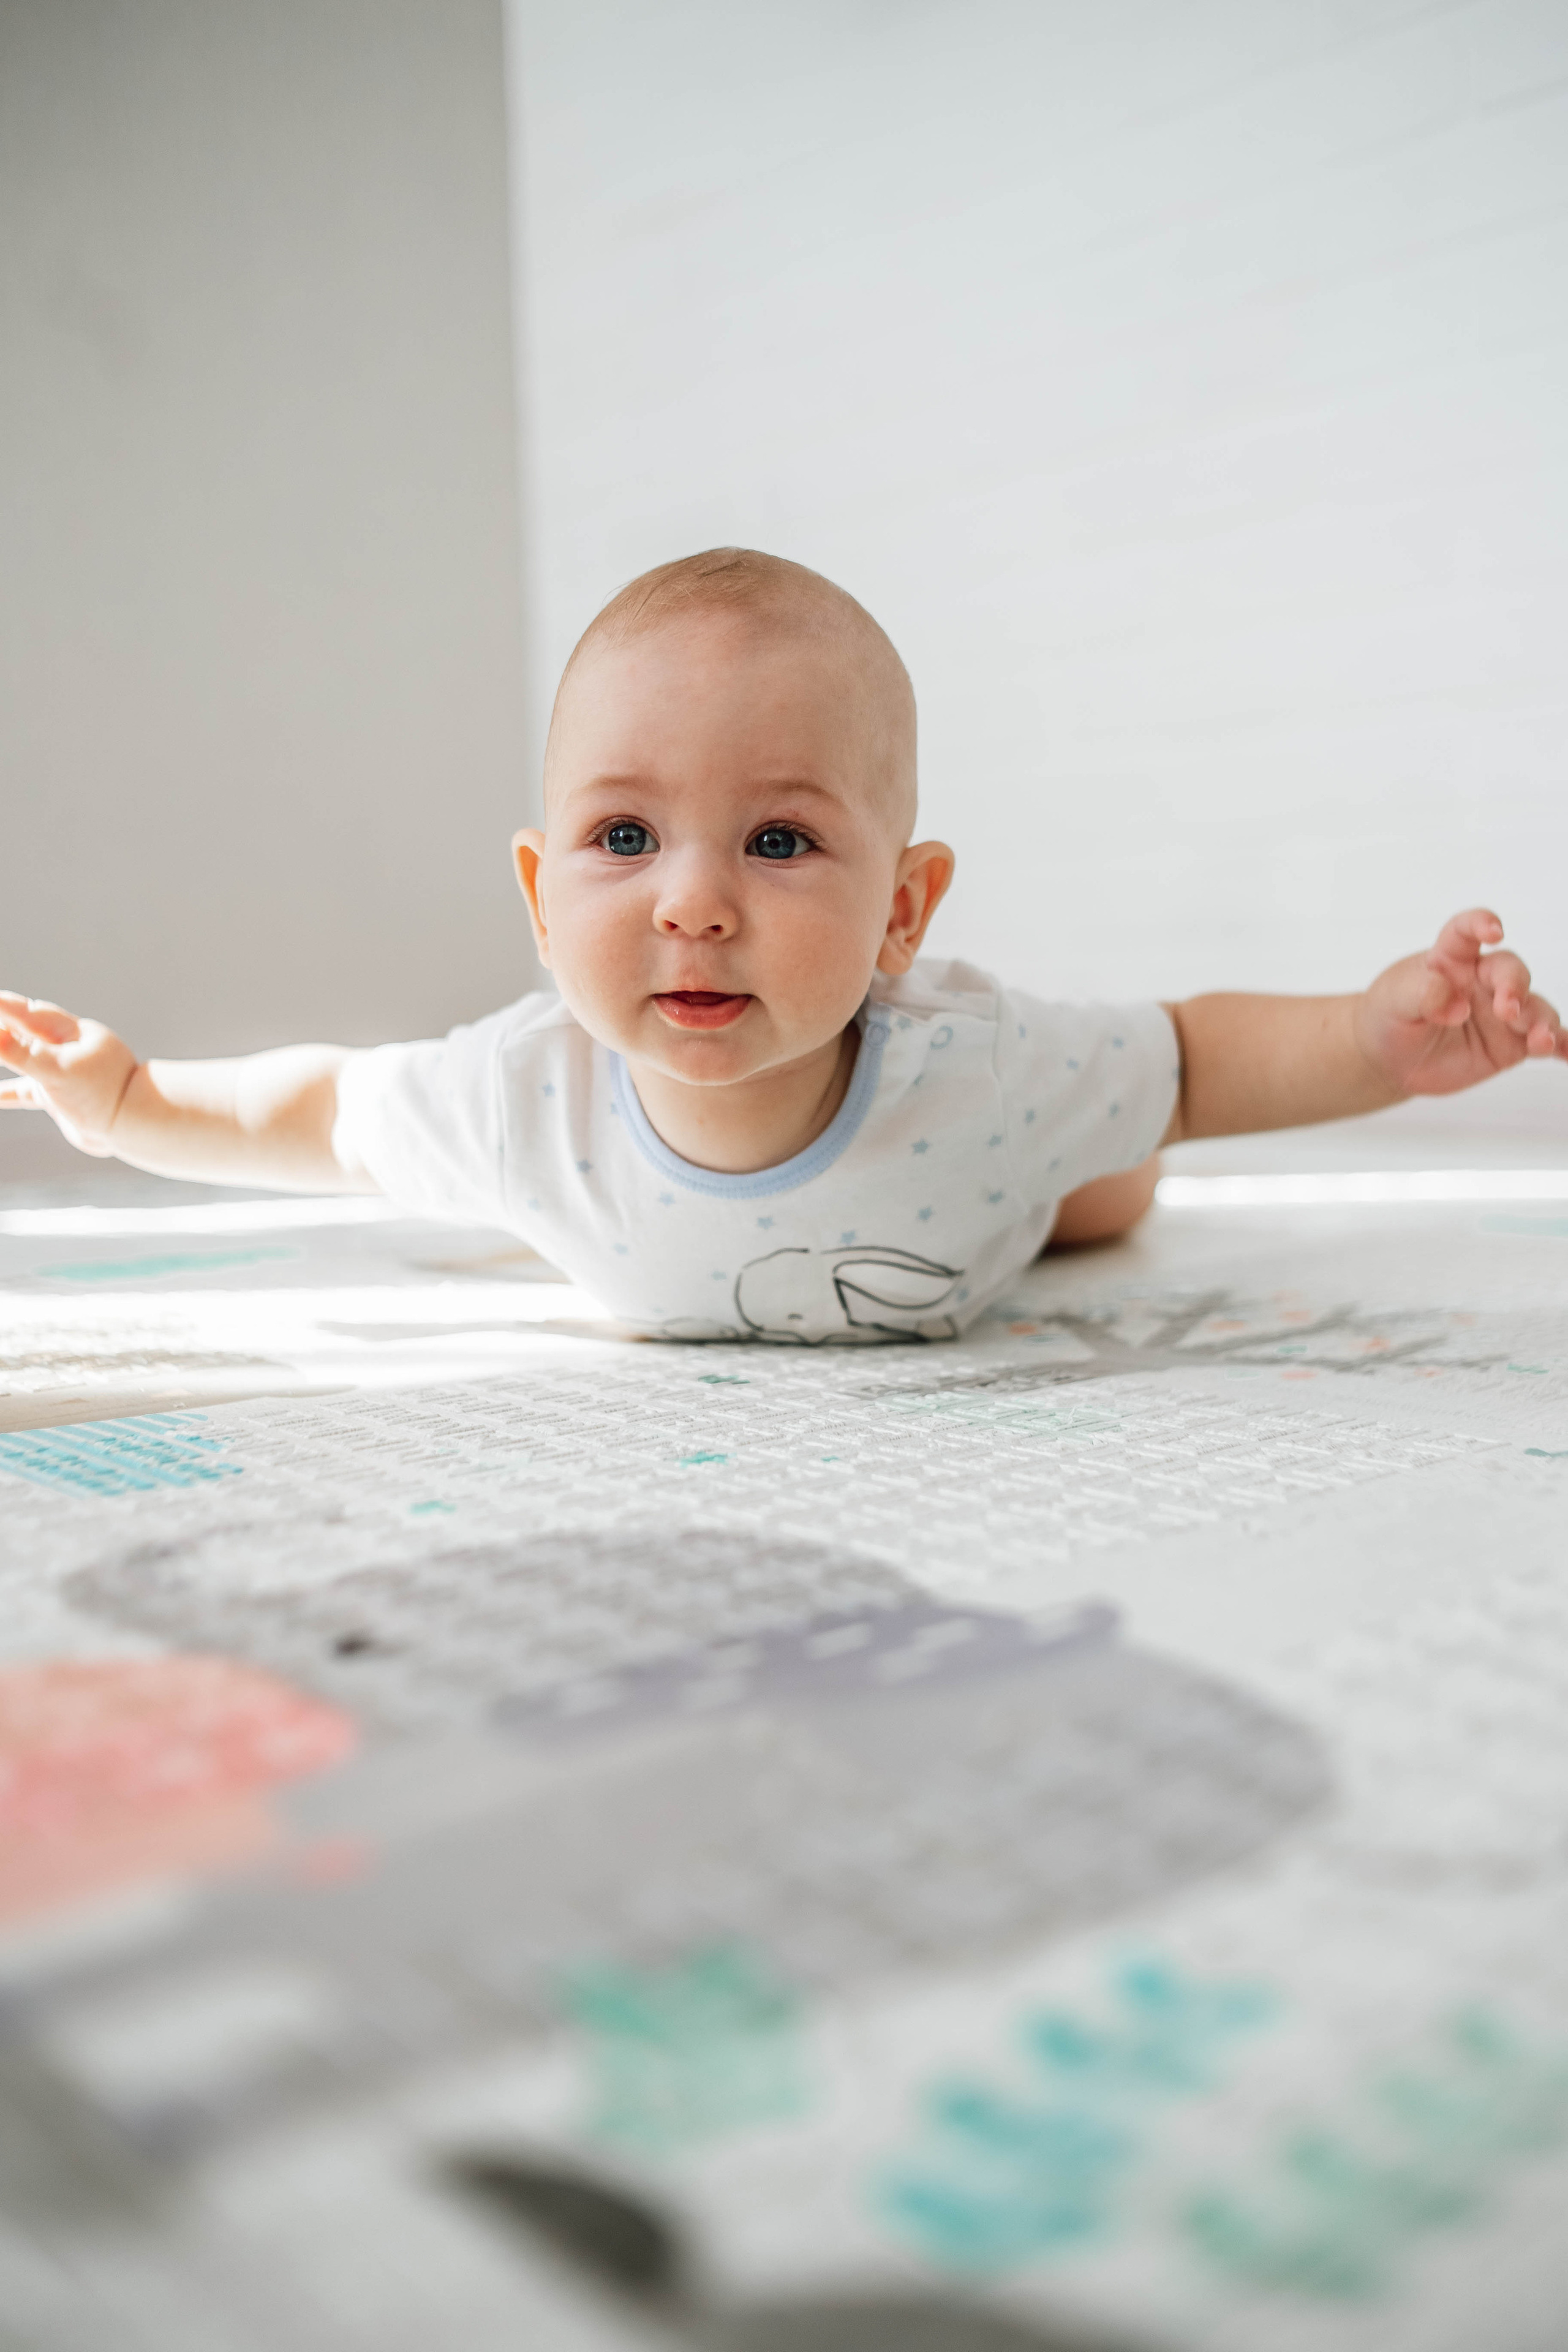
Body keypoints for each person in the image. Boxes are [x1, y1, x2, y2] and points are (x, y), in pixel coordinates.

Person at [4, 549, 1563, 1344]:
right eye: (624, 840)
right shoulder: (520, 1099)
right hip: (623, 1175)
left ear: (900, 912)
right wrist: (136, 1104)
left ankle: (1091, 1183)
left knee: (1110, 1179)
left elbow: (1197, 1057)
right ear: (542, 898)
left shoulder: (992, 1076)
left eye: (776, 841)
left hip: (995, 1190)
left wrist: (1371, 1039)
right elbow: (334, 1115)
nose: (692, 903)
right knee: (454, 1175)